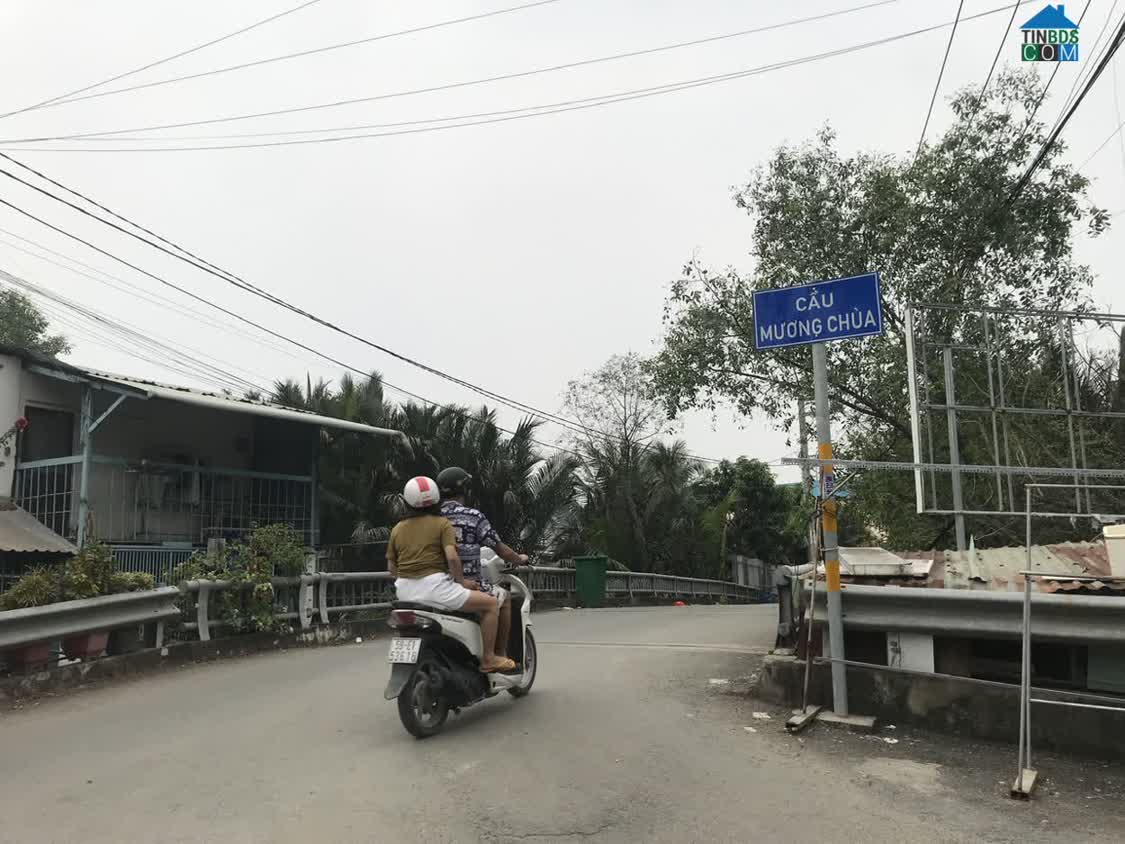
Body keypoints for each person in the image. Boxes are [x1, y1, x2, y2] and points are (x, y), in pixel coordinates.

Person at [388, 476, 515, 673]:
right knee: (491, 604)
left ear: (406, 502)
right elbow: (453, 558)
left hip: (404, 592)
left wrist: (408, 579)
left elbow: (392, 568)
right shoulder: (441, 524)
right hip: (437, 590)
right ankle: (489, 658)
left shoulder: (397, 529)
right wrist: (462, 582)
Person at [436, 466, 528, 661]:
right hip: (467, 584)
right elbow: (500, 549)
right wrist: (519, 559)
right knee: (504, 598)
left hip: (435, 585)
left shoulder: (431, 519)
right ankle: (497, 655)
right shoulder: (473, 517)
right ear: (465, 490)